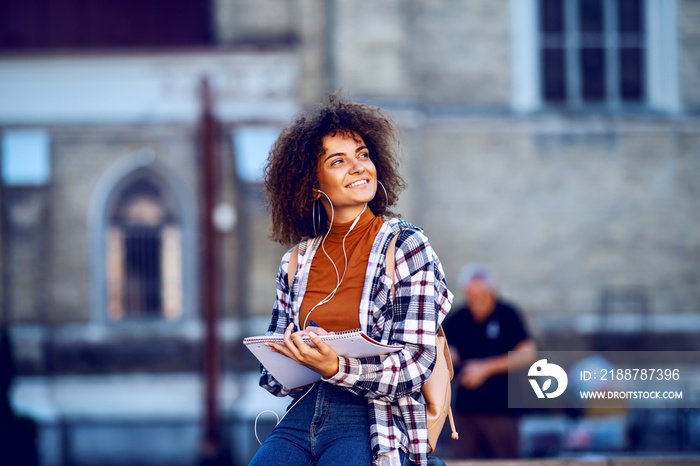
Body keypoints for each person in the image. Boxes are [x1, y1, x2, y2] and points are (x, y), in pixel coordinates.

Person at [249, 92, 454, 466]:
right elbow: (273, 380)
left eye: (362, 154)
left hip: (374, 419)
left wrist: (335, 367)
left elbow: (417, 362)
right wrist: (292, 353)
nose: (359, 167)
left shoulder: (406, 245)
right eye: (338, 161)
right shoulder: (296, 261)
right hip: (302, 414)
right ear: (312, 182)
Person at [442, 264, 536, 459]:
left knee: (506, 461)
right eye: (470, 296)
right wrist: (449, 358)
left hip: (502, 408)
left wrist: (486, 368)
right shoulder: (458, 318)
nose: (475, 301)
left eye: (481, 295)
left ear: (492, 291)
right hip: (465, 410)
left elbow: (527, 353)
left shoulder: (507, 314)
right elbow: (443, 351)